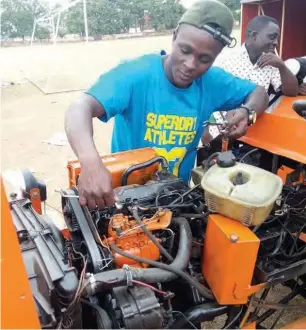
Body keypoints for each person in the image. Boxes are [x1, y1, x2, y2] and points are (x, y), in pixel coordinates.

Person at [65, 0, 269, 209]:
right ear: (174, 36)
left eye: (204, 59)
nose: (190, 64)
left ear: (216, 56)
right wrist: (90, 163)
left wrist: (247, 111)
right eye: (185, 50)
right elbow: (79, 107)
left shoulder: (213, 82)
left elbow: (259, 92)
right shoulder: (136, 74)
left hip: (177, 199)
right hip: (124, 200)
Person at [215, 15, 298, 96]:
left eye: (277, 38)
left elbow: (292, 92)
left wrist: (282, 66)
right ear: (254, 36)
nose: (276, 42)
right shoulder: (225, 59)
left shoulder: (272, 63)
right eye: (272, 37)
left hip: (256, 110)